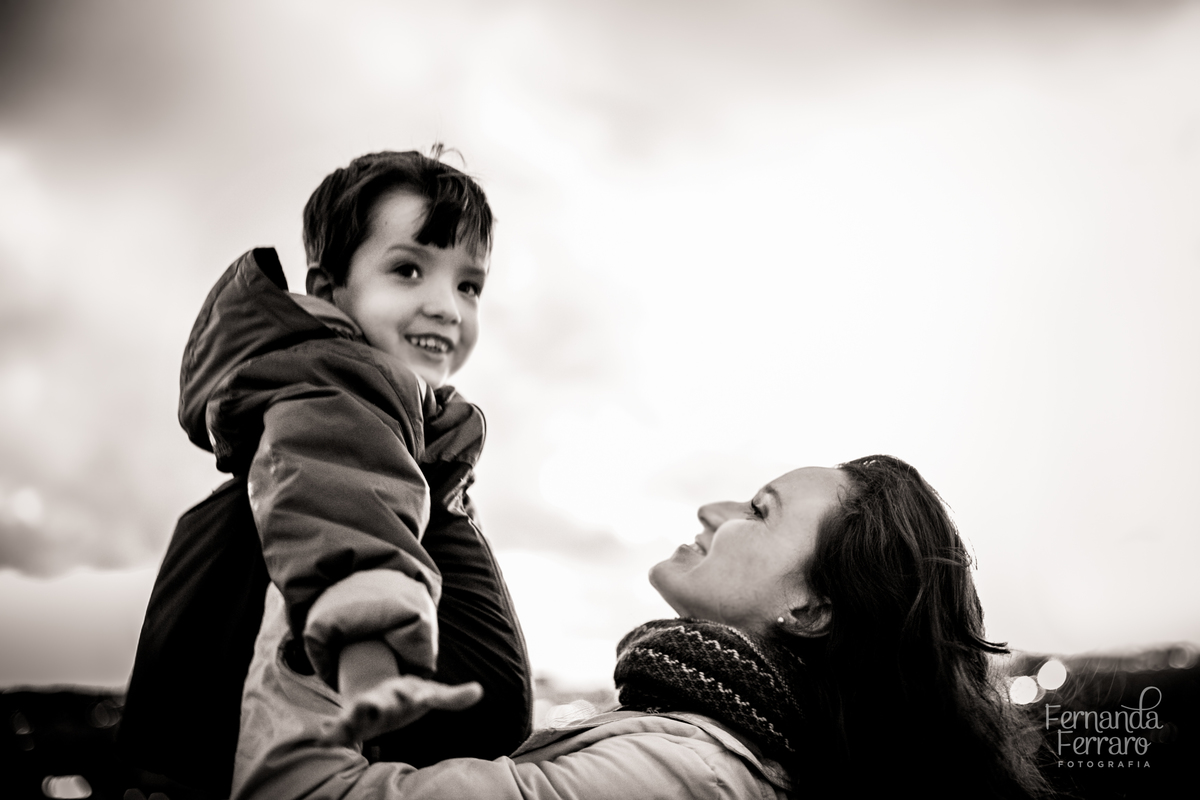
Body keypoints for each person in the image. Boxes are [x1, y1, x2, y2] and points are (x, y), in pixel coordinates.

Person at [231, 456, 1052, 800]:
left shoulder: (685, 778)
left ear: (809, 611)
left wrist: (324, 565)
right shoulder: (703, 748)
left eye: (758, 511)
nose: (712, 509)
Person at [120, 149, 531, 796]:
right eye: (408, 270)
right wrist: (372, 675)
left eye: (468, 285)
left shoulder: (370, 416)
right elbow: (346, 524)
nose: (447, 307)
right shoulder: (340, 389)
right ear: (328, 292)